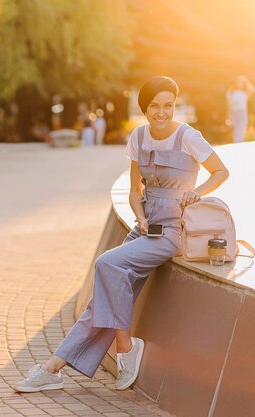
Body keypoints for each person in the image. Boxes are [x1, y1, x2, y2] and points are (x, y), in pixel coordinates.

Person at [13, 76, 229, 393]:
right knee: (101, 302)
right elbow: (133, 191)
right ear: (145, 108)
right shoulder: (138, 138)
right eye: (155, 106)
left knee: (106, 264)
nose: (162, 113)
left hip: (172, 232)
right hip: (146, 229)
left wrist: (196, 193)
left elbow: (221, 171)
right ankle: (52, 369)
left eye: (168, 106)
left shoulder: (188, 137)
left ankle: (126, 347)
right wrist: (140, 218)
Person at [226, 75, 255, 143]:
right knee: (234, 128)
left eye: (242, 83)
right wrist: (228, 114)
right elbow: (228, 103)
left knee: (241, 128)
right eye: (239, 82)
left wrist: (246, 81)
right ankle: (236, 142)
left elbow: (252, 89)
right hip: (233, 112)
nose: (240, 84)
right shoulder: (231, 93)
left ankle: (238, 142)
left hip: (242, 112)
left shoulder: (244, 93)